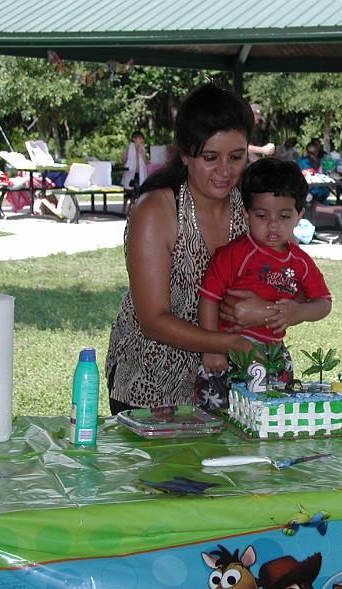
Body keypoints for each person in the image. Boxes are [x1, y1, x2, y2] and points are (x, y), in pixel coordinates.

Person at [105, 84, 278, 412]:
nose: (225, 171)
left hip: (237, 380)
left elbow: (286, 278)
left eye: (237, 157)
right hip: (152, 380)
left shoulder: (254, 210)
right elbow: (153, 319)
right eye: (210, 157)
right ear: (185, 154)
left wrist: (267, 310)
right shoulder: (157, 211)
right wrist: (227, 343)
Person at [197, 158, 332, 406]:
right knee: (220, 420)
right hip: (228, 355)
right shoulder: (233, 255)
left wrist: (299, 312)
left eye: (283, 216)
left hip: (275, 356)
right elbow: (208, 299)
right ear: (246, 214)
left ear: (299, 214)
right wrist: (211, 348)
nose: (272, 225)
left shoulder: (300, 262)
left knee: (272, 417)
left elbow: (323, 303)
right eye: (261, 215)